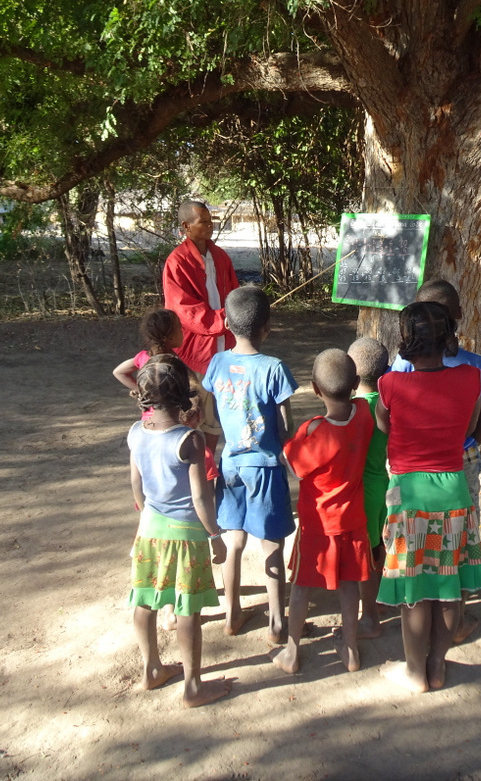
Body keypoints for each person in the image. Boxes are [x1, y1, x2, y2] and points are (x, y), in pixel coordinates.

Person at [376, 301, 481, 693]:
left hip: (410, 497)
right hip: (454, 492)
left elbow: (384, 425)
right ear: (448, 336)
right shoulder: (471, 378)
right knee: (449, 585)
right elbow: (469, 428)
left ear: (406, 339)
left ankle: (413, 672)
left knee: (415, 590)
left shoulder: (389, 384)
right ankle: (437, 665)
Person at [389, 278, 481, 642]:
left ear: (409, 331)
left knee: (415, 543)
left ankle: (420, 603)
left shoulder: (398, 370)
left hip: (413, 468)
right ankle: (458, 618)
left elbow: (387, 418)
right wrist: (469, 446)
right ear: (458, 319)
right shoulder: (475, 369)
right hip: (459, 460)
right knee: (459, 540)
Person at [126, 354, 232, 708]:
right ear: (183, 394)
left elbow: (137, 488)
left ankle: (152, 668)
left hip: (149, 531)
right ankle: (192, 686)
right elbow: (201, 498)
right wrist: (215, 536)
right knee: (188, 610)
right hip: (186, 535)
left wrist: (147, 517)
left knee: (145, 599)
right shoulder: (190, 440)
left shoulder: (135, 433)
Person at [202, 285, 297, 642]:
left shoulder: (217, 362)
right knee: (271, 544)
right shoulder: (274, 368)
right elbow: (286, 425)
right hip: (266, 466)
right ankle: (276, 623)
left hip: (230, 464)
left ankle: (232, 615)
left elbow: (213, 405)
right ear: (267, 327)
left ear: (226, 322)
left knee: (235, 540)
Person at [275, 349, 375, 674]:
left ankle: (292, 652)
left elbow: (292, 463)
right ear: (356, 382)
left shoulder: (314, 430)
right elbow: (360, 401)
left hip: (318, 526)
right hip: (352, 521)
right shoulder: (363, 414)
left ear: (315, 389)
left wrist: (286, 432)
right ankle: (350, 648)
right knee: (349, 584)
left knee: (302, 585)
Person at [114, 307, 220, 483]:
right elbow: (194, 389)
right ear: (169, 337)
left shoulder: (142, 358)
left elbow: (119, 372)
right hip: (174, 423)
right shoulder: (175, 364)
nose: (183, 331)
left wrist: (143, 392)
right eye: (180, 328)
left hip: (149, 424)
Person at [162, 200, 239, 377]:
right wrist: (224, 319)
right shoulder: (177, 262)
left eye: (210, 220)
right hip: (197, 348)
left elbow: (235, 293)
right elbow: (184, 310)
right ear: (186, 226)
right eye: (203, 222)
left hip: (227, 342)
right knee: (201, 402)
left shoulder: (221, 256)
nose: (210, 225)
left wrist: (238, 313)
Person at [347, 336, 391, 639]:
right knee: (381, 546)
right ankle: (387, 596)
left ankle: (370, 617)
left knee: (363, 552)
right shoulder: (389, 406)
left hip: (360, 491)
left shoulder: (351, 411)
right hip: (384, 484)